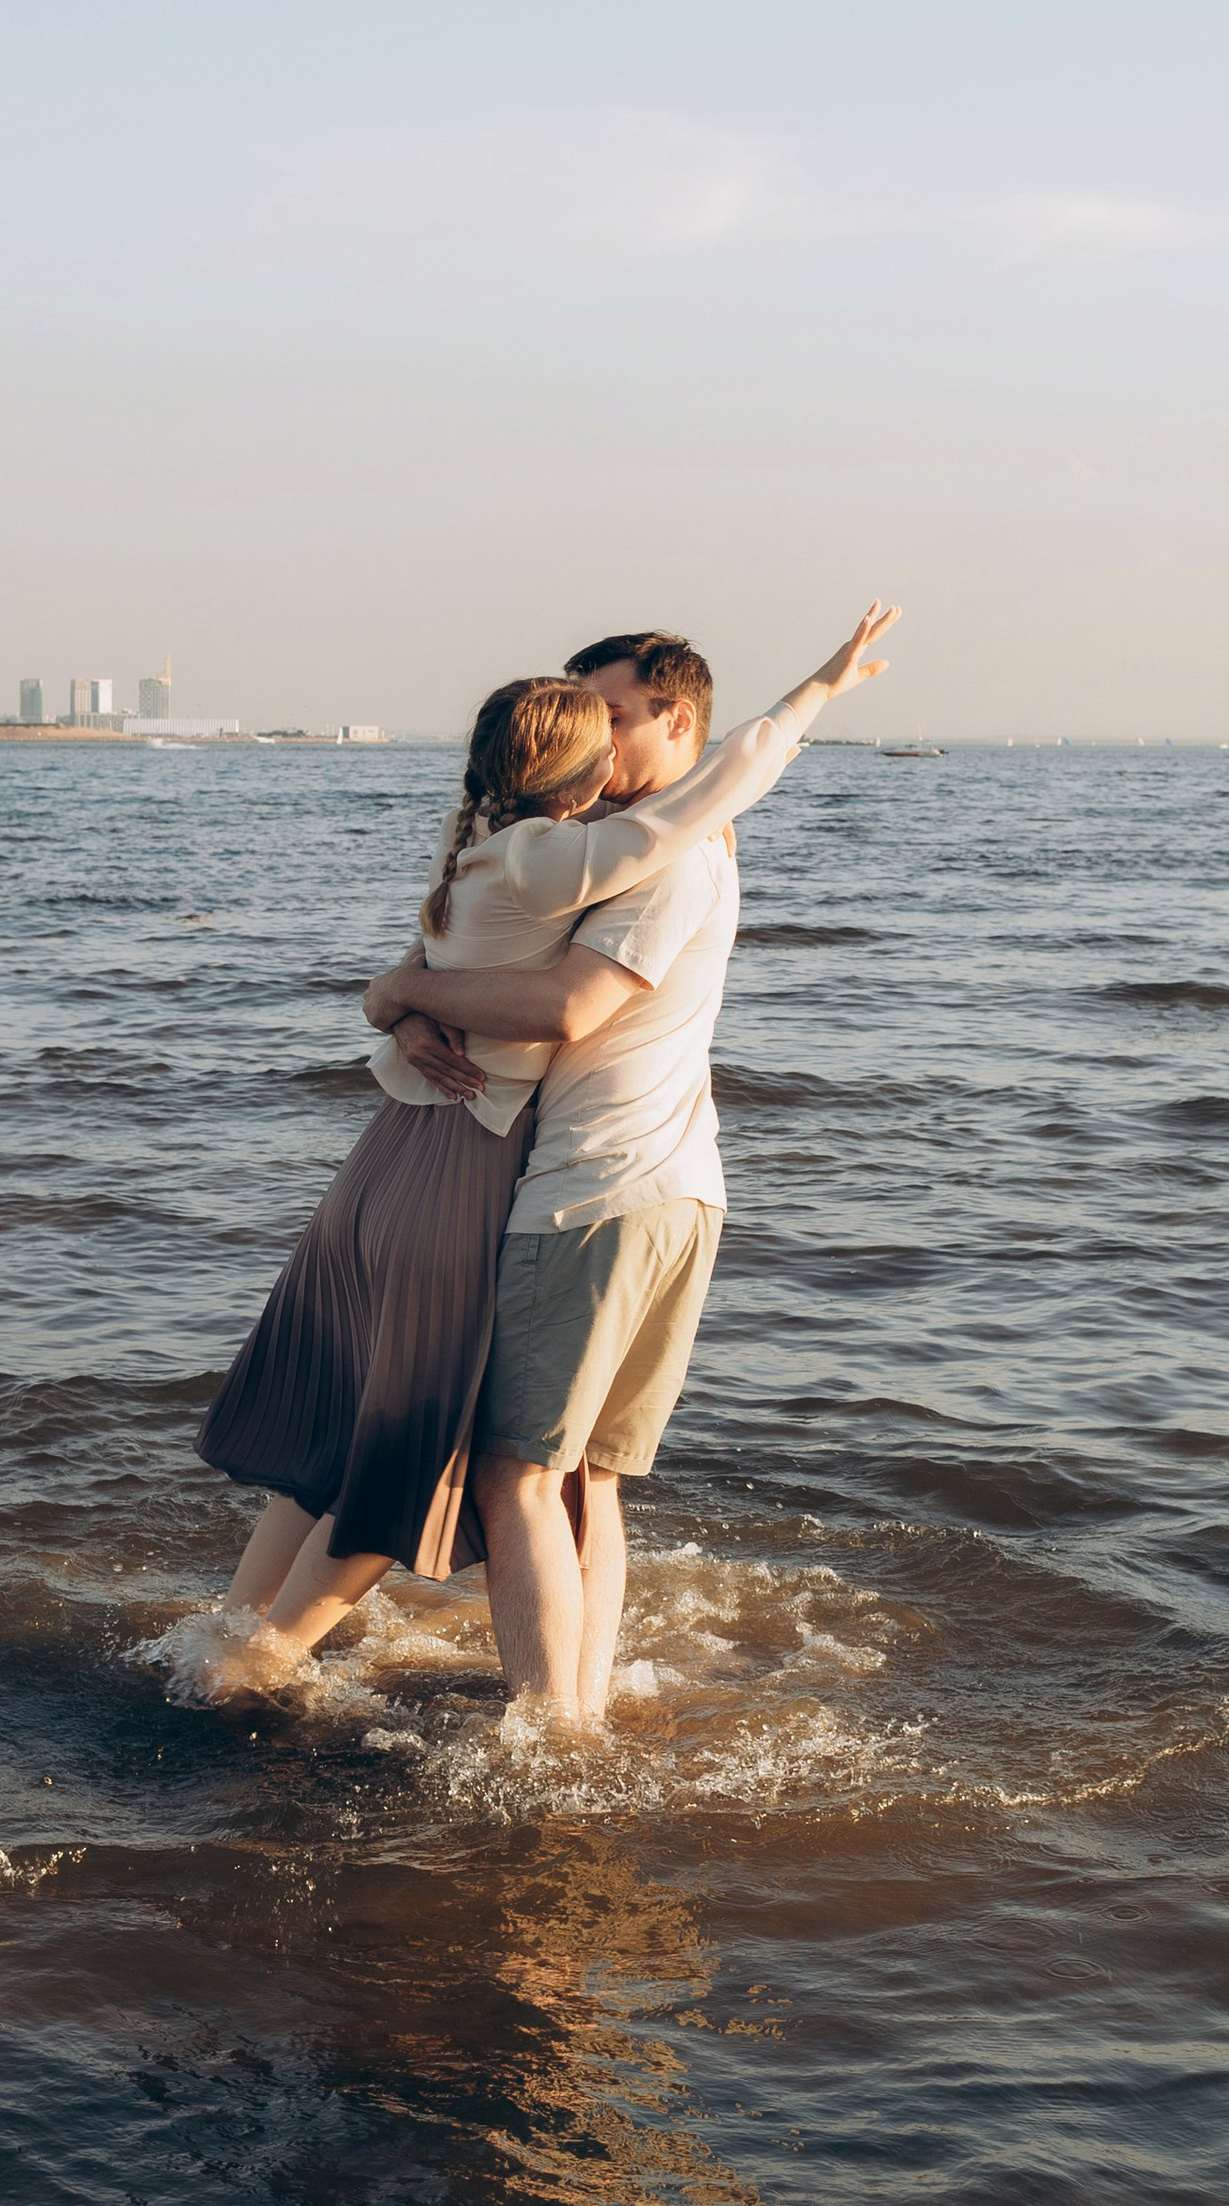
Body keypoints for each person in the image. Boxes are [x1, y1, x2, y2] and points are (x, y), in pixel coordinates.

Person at [188, 607, 894, 1683]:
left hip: (562, 1177)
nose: (602, 744)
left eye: (616, 717)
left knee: (488, 1465)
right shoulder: (575, 855)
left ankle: (271, 1661)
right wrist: (401, 1003)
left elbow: (560, 1003)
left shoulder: (612, 859)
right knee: (517, 1469)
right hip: (553, 1175)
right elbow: (474, 969)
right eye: (586, 724)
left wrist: (402, 997)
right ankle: (547, 1714)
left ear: (678, 720)